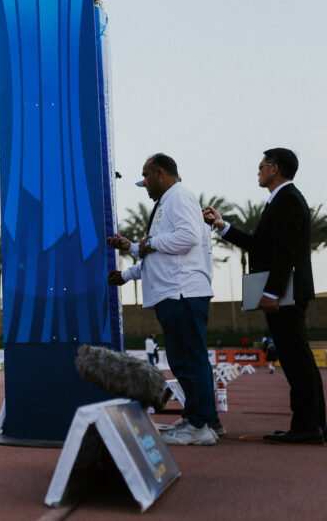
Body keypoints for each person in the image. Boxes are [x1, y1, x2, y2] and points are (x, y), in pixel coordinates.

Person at [203, 148, 326, 445]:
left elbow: (286, 252)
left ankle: (308, 427)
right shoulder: (281, 201)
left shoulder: (288, 200)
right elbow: (261, 245)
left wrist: (272, 292)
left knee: (296, 360)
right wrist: (223, 226)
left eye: (261, 166)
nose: (257, 171)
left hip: (285, 294)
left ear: (275, 169)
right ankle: (314, 424)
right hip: (286, 292)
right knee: (299, 360)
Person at [106, 154, 219, 446]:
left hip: (181, 292)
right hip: (175, 291)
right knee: (188, 360)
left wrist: (150, 243)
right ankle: (204, 421)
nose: (144, 184)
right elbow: (156, 256)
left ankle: (199, 424)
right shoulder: (168, 201)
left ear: (159, 173)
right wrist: (132, 253)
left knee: (188, 360)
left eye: (145, 176)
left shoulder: (178, 197)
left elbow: (187, 237)